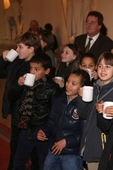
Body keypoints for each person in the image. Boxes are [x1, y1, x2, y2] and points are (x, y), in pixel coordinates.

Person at [11, 53, 60, 170]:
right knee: (18, 160)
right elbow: (11, 97)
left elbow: (54, 112)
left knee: (42, 162)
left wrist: (46, 130)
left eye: (37, 69)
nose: (32, 72)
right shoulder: (28, 83)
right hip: (26, 128)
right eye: (31, 68)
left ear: (47, 71)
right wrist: (18, 85)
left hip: (41, 131)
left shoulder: (52, 88)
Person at [0, 32, 41, 170]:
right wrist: (3, 59)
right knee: (16, 144)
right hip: (15, 109)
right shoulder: (18, 60)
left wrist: (17, 85)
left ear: (31, 48)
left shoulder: (37, 66)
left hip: (26, 113)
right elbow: (1, 73)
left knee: (25, 146)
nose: (16, 50)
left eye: (20, 47)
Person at [37, 69, 90, 170]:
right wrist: (43, 131)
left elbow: (85, 133)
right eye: (68, 81)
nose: (68, 85)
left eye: (73, 83)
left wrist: (67, 141)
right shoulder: (59, 100)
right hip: (54, 148)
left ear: (82, 88)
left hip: (72, 153)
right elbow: (51, 123)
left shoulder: (84, 106)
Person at [78, 52, 113, 170]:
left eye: (108, 66)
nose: (103, 70)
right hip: (90, 143)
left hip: (103, 146)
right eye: (100, 66)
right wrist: (82, 99)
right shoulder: (95, 87)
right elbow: (84, 114)